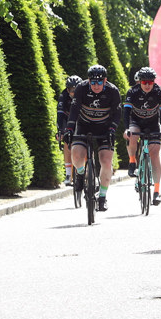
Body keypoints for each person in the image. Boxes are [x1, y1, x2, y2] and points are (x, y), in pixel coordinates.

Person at [63, 65, 121, 212]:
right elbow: (74, 110)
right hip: (84, 126)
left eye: (100, 82)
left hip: (104, 127)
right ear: (88, 81)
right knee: (76, 154)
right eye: (93, 82)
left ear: (105, 81)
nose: (96, 86)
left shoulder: (113, 91)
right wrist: (69, 129)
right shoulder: (81, 88)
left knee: (106, 162)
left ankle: (102, 197)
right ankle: (81, 174)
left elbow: (117, 114)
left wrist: (112, 129)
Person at [123, 66, 161, 205]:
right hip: (136, 121)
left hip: (153, 123)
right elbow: (126, 112)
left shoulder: (158, 91)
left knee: (155, 154)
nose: (147, 85)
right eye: (144, 82)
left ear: (154, 82)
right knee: (132, 135)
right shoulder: (133, 92)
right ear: (139, 82)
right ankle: (132, 161)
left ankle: (157, 191)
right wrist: (126, 129)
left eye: (150, 82)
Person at [56, 75, 82, 185]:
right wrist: (60, 131)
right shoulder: (63, 96)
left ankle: (85, 171)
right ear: (68, 90)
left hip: (81, 120)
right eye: (72, 91)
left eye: (76, 90)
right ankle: (68, 174)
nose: (74, 93)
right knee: (67, 142)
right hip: (68, 120)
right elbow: (60, 114)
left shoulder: (84, 94)